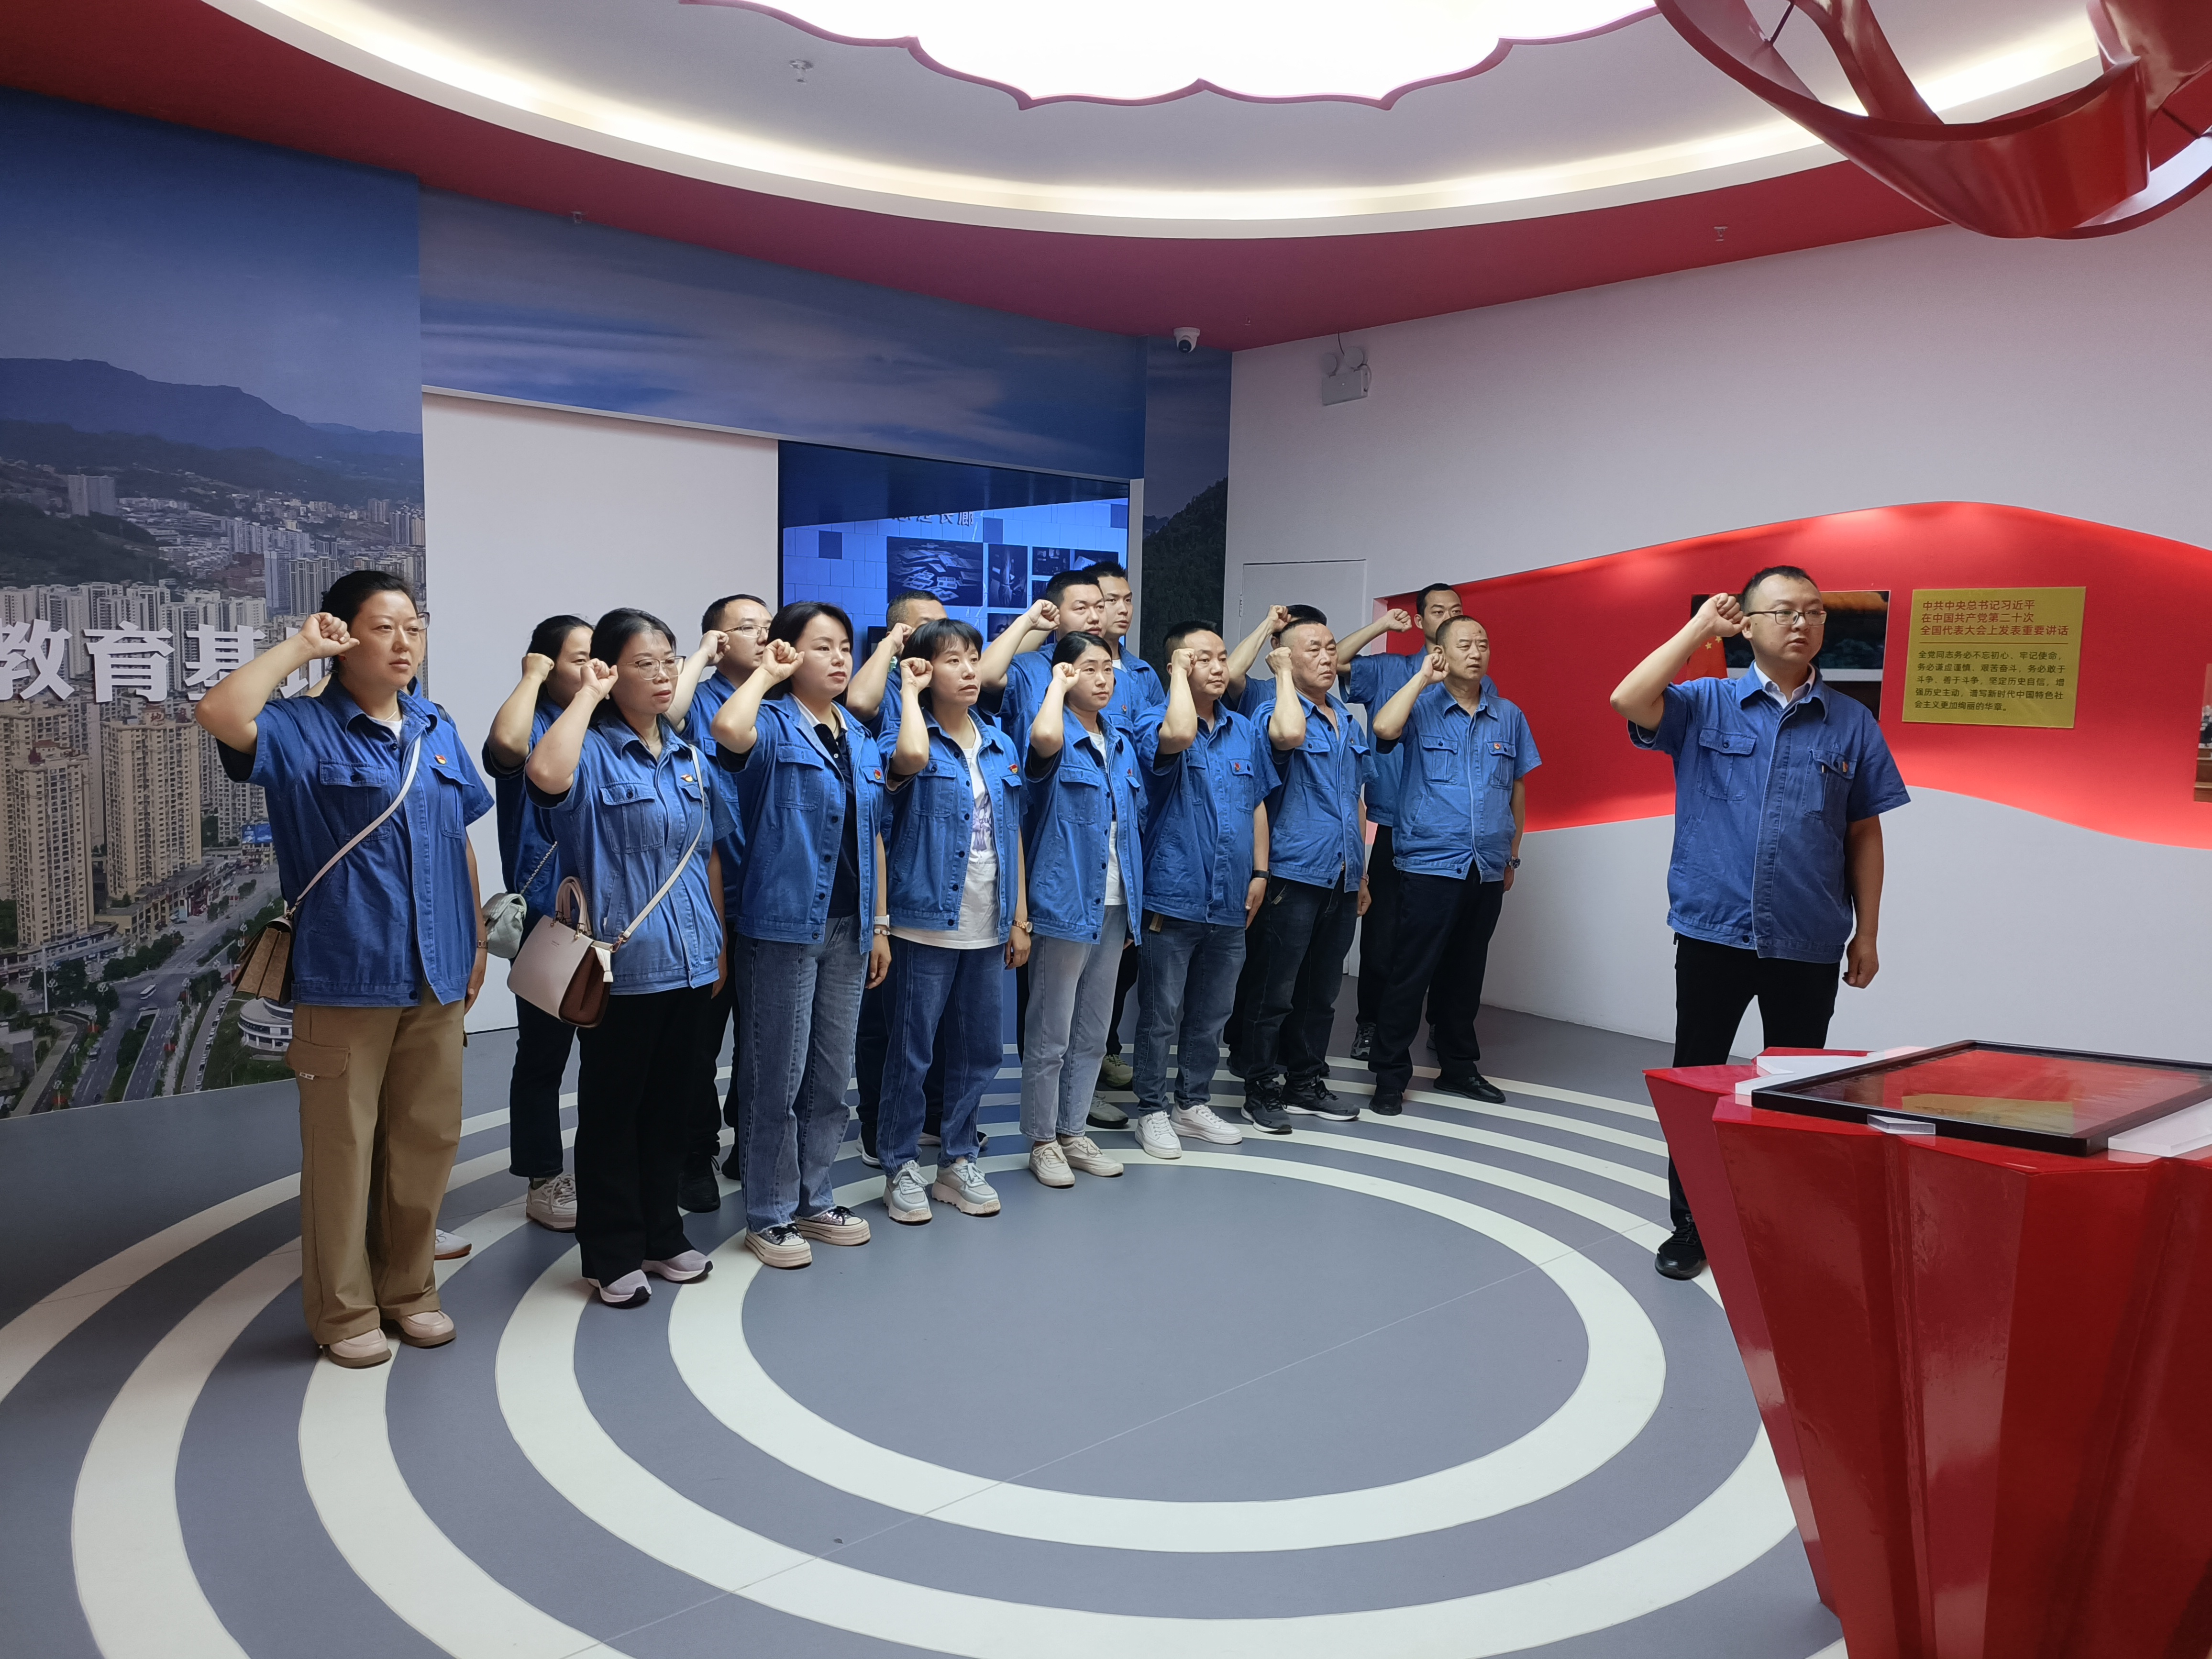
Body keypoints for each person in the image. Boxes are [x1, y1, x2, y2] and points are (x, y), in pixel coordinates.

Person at [196, 571, 490, 1369]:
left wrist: (473, 944)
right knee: (344, 1150)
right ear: (344, 636)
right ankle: (344, 1309)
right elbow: (219, 712)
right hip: (347, 968)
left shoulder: (434, 725)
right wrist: (299, 648)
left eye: (413, 627)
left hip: (435, 969)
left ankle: (410, 1290)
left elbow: (459, 838)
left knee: (425, 1140)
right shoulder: (301, 727)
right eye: (384, 627)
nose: (404, 642)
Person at [1609, 566, 1908, 1281]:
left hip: (1808, 936)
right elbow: (1627, 698)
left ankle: (1780, 1223)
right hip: (1713, 931)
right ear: (1746, 624)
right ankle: (1692, 1223)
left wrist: (1867, 932)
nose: (1801, 623)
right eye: (1783, 611)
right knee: (1696, 1081)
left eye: (1814, 612)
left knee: (1795, 1091)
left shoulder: (1851, 723)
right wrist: (1697, 630)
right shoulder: (1703, 704)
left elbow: (1863, 833)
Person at [525, 608, 731, 1308]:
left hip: (690, 961)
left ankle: (661, 1236)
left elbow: (705, 856)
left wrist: (715, 945)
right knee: (614, 1113)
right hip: (623, 968)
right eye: (645, 663)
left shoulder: (689, 757)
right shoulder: (588, 749)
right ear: (610, 673)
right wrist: (587, 693)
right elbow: (543, 775)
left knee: (672, 1110)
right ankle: (611, 1252)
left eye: (670, 660)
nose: (665, 674)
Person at [711, 601, 890, 1268]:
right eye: (822, 646)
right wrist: (767, 674)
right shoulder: (770, 724)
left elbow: (873, 834)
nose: (839, 658)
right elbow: (726, 729)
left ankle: (816, 1199)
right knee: (775, 1081)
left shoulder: (859, 736)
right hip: (783, 927)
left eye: (844, 646)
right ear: (786, 653)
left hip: (849, 928)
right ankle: (770, 1213)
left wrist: (879, 923)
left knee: (829, 1078)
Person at [876, 620, 1031, 1222]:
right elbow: (896, 792)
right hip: (922, 920)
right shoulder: (905, 734)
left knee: (980, 1051)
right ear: (922, 669)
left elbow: (1011, 831)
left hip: (987, 920)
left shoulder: (1000, 742)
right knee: (911, 1053)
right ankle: (899, 1164)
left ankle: (958, 1160)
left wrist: (1019, 918)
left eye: (972, 659)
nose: (968, 671)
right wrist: (908, 693)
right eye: (951, 661)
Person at [1367, 615, 1539, 1114]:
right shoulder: (1420, 706)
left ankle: (1458, 1068)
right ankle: (1389, 1075)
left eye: (1483, 644)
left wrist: (1512, 855)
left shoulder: (1509, 715)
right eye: (1465, 644)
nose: (1476, 652)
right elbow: (1383, 729)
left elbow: (1517, 790)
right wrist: (1422, 678)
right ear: (1441, 652)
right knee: (1410, 971)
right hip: (1429, 862)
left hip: (1486, 865)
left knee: (1466, 974)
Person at [1127, 621, 1273, 1160]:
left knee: (1212, 1014)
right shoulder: (1155, 720)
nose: (1217, 667)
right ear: (1177, 666)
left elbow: (1257, 802)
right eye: (1202, 659)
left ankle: (1192, 1103)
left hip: (1230, 897)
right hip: (1173, 895)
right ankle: (1151, 1109)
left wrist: (1260, 873)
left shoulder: (1244, 729)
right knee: (1160, 1015)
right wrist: (1178, 681)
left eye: (1222, 658)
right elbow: (1178, 737)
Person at [481, 614, 594, 1233]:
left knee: (611, 1058)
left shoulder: (605, 724)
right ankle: (545, 1177)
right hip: (550, 924)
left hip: (614, 921)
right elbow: (504, 746)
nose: (593, 667)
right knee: (545, 1056)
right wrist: (531, 676)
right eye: (578, 658)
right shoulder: (534, 725)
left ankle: (605, 1165)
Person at [1020, 633, 1143, 1188]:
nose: (1102, 679)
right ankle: (1042, 1140)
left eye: (1108, 669)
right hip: (1064, 902)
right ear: (1064, 673)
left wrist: (1134, 905)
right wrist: (1056, 686)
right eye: (1088, 668)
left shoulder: (1120, 740)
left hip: (1115, 903)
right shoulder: (1053, 732)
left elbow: (1131, 826)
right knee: (1051, 1034)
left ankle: (1072, 1131)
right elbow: (1043, 740)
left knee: (1093, 1031)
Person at [1238, 619, 1370, 1132]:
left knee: (1321, 992)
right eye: (1312, 649)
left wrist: (1361, 873)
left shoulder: (1347, 720)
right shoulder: (1274, 711)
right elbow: (1286, 738)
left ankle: (1305, 1080)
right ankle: (1259, 1086)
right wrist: (1281, 678)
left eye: (1331, 648)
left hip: (1341, 872)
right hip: (1292, 872)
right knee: (1273, 990)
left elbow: (1355, 799)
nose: (1326, 657)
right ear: (1285, 658)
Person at [1334, 583, 1465, 1062]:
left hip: (1448, 831)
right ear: (1422, 620)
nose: (1447, 617)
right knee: (1383, 934)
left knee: (1448, 935)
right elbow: (1336, 660)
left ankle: (1441, 1027)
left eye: (1456, 610)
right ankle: (1370, 1024)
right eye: (1438, 611)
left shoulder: (1472, 682)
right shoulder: (1389, 669)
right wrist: (1380, 627)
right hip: (1394, 824)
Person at [679, 592, 771, 1196]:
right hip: (712, 895)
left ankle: (751, 1140)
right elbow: (668, 717)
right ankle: (694, 1152)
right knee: (700, 1038)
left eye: (769, 625)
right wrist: (698, 658)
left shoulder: (782, 700)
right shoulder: (697, 701)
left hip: (772, 896)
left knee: (762, 1037)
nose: (763, 635)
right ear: (717, 639)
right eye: (747, 627)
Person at [1079, 560, 1166, 1101]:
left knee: (1122, 963)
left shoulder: (1143, 674)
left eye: (1126, 599)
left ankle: (1105, 1050)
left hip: (1133, 830)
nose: (1120, 609)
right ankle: (1073, 1092)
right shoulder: (1060, 668)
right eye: (1109, 599)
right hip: (1080, 836)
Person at [1225, 603, 1327, 718]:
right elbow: (1232, 673)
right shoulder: (1263, 694)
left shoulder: (1335, 707)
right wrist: (1270, 624)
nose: (1325, 658)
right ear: (1277, 644)